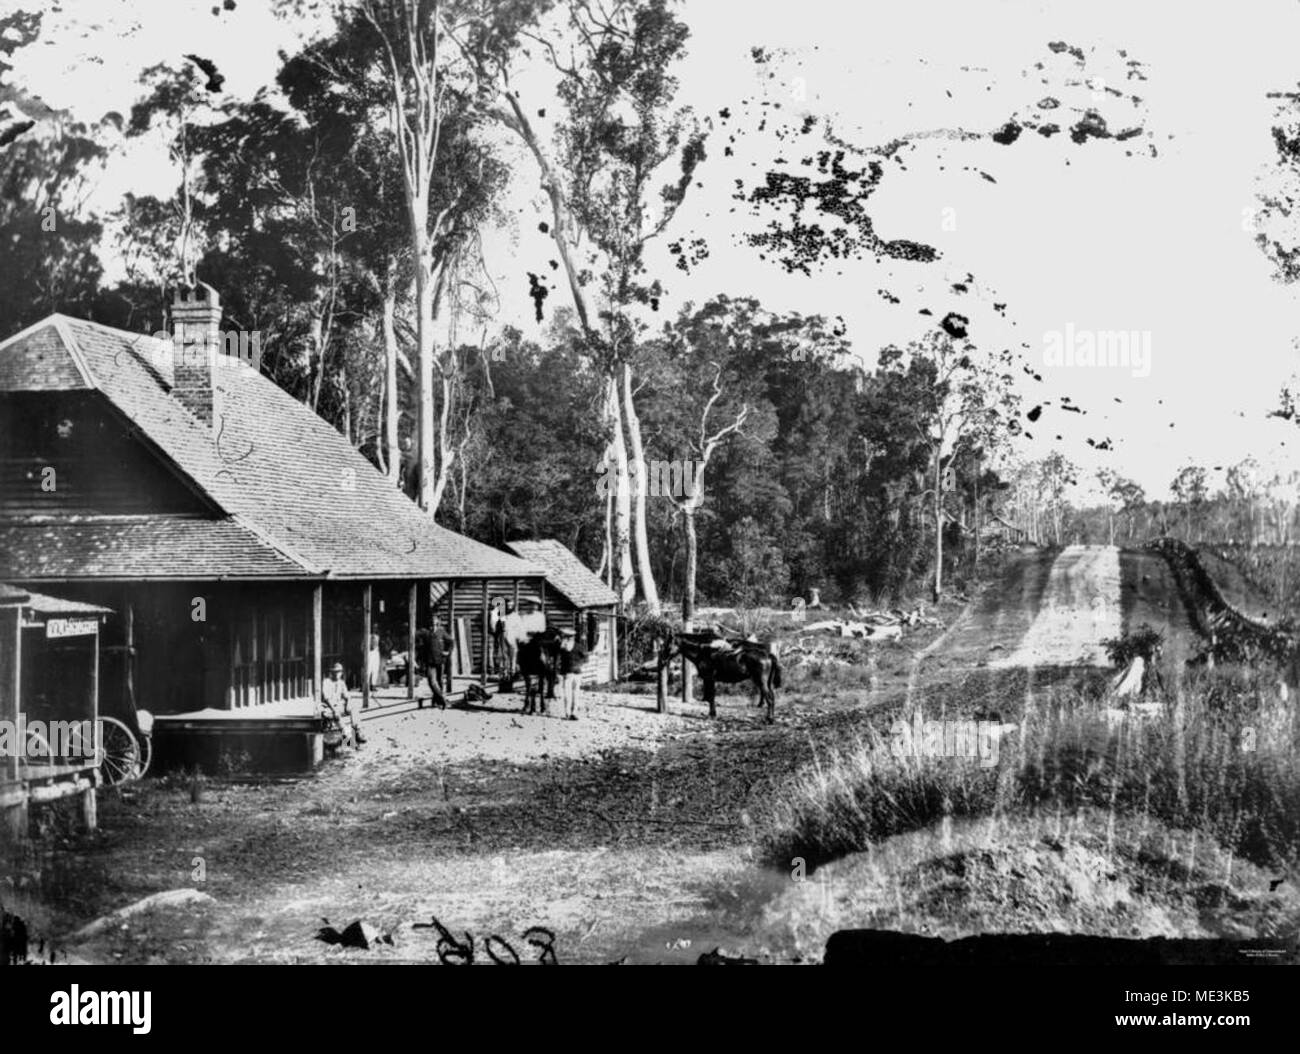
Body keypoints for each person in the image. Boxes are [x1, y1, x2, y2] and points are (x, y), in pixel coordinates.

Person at [321, 662, 363, 748]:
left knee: (354, 708)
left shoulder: (341, 682)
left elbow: (347, 695)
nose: (337, 674)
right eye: (335, 672)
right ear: (331, 673)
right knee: (336, 716)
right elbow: (326, 699)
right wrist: (334, 710)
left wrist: (348, 703)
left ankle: (356, 732)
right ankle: (349, 739)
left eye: (339, 672)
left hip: (339, 705)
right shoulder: (326, 682)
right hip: (328, 707)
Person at [557, 627, 587, 721]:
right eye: (567, 637)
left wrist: (579, 665)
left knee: (571, 694)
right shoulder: (575, 647)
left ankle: (570, 713)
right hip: (572, 673)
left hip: (572, 673)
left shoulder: (564, 647)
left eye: (568, 637)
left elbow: (586, 658)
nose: (568, 638)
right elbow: (585, 658)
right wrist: (579, 665)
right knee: (572, 694)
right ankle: (571, 713)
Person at [501, 600, 525, 678]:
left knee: (513, 655)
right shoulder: (502, 615)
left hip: (512, 636)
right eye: (507, 605)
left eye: (511, 605)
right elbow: (499, 626)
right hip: (503, 635)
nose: (509, 607)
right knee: (504, 655)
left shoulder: (516, 616)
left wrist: (518, 637)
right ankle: (505, 673)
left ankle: (512, 671)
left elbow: (520, 627)